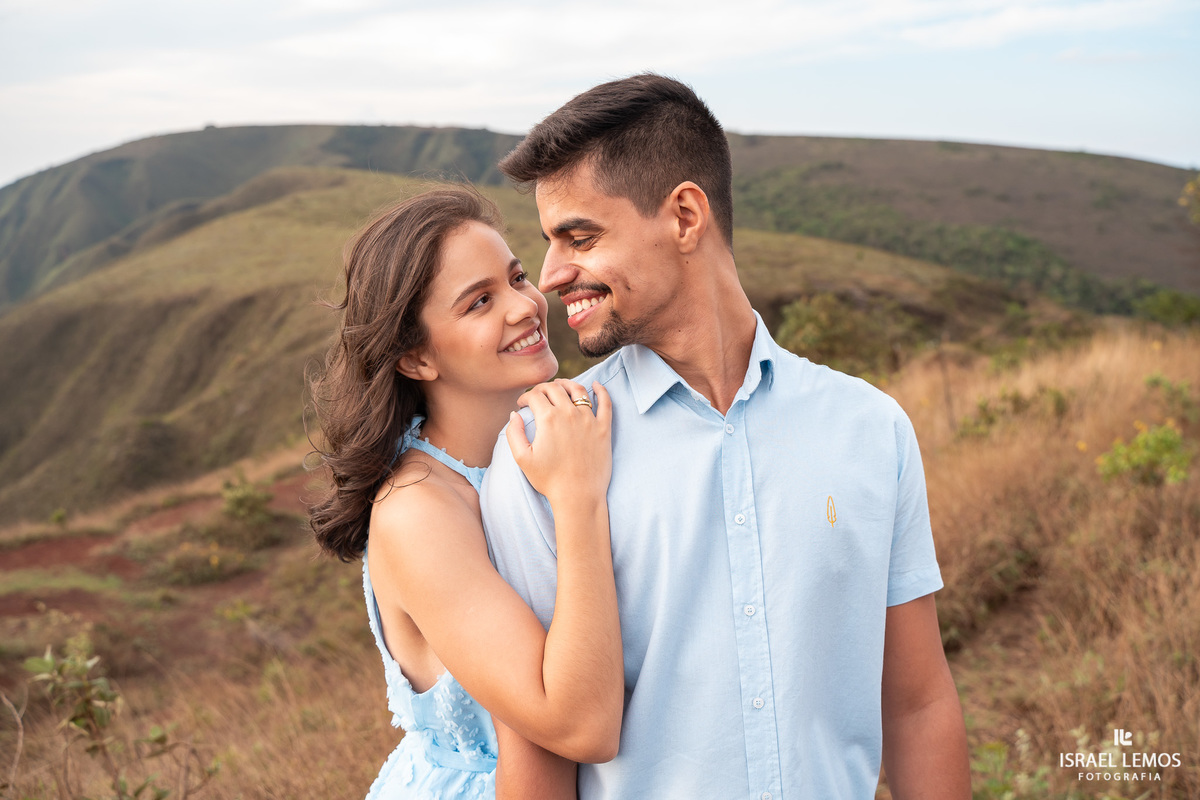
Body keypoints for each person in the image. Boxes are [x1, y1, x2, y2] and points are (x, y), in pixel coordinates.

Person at [481, 74, 971, 798]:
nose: (551, 275)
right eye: (549, 243)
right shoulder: (540, 452)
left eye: (579, 236)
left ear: (684, 216)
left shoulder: (871, 430)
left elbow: (917, 701)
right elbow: (539, 751)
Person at [306, 187, 624, 799]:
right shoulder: (418, 510)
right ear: (417, 358)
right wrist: (578, 500)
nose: (525, 306)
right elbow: (575, 726)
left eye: (517, 277)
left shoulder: (544, 437)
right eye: (480, 302)